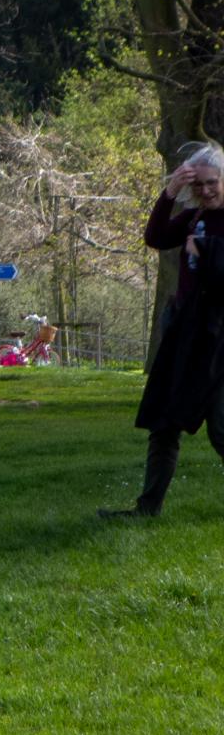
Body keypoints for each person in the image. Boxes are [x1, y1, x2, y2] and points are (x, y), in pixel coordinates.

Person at [112, 145, 224, 519]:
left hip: (218, 340)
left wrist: (207, 250)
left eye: (214, 183)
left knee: (221, 430)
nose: (207, 191)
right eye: (200, 185)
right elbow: (157, 237)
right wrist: (170, 192)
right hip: (186, 334)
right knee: (164, 423)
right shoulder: (193, 217)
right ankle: (147, 508)